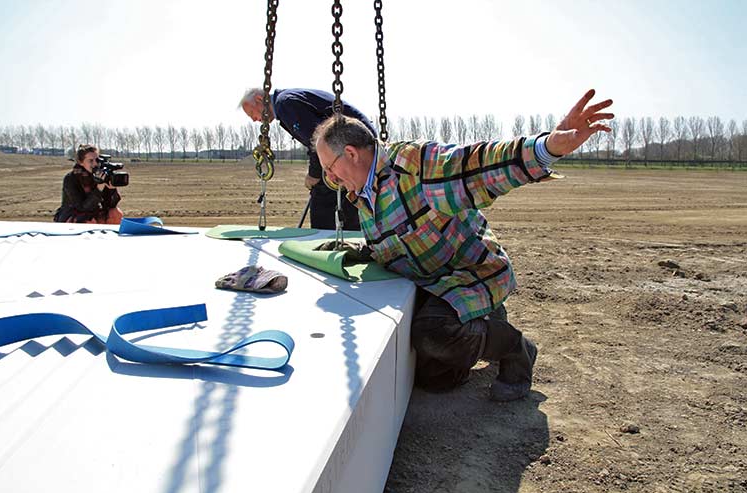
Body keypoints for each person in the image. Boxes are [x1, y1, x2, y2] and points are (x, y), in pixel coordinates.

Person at [312, 89, 614, 401]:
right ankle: (484, 325)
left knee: (432, 333)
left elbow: (475, 166)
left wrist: (547, 147)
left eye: (330, 169)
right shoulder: (363, 196)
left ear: (350, 153)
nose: (331, 179)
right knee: (435, 380)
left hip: (472, 274)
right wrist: (362, 253)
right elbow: (397, 240)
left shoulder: (413, 167)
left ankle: (515, 348)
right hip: (434, 284)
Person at [239, 87, 376, 231]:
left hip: (352, 144)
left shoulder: (286, 104)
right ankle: (352, 235)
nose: (255, 120)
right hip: (357, 142)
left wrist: (314, 174)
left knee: (323, 198)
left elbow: (316, 141)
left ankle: (323, 240)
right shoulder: (288, 100)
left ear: (260, 99)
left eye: (252, 114)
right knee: (347, 192)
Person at [53, 144, 123, 224]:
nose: (95, 164)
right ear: (81, 162)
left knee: (115, 213)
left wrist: (112, 189)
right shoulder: (71, 179)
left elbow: (111, 204)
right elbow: (82, 207)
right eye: (90, 160)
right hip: (73, 213)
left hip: (94, 211)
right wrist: (99, 188)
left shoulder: (100, 175)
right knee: (89, 221)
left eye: (97, 160)